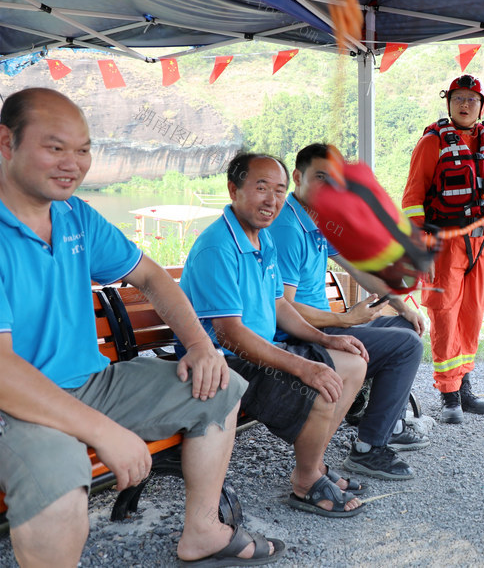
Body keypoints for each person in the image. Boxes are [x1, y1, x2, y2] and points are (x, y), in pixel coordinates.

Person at [0, 88, 284, 566]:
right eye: (55, 147)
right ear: (6, 142)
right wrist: (103, 432)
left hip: (90, 383)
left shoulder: (75, 216)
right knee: (61, 478)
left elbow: (151, 276)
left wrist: (199, 345)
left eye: (84, 150)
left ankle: (203, 532)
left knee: (219, 386)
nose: (74, 163)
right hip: (15, 406)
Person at [180, 152, 372, 520]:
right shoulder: (218, 246)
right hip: (222, 362)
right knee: (319, 385)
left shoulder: (262, 240)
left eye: (280, 190)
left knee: (351, 363)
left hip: (261, 349)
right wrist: (302, 367)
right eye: (261, 187)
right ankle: (306, 482)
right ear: (233, 189)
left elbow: (280, 306)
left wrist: (329, 338)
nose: (272, 200)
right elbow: (230, 334)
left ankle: (311, 466)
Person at [268, 143, 429, 479]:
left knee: (405, 327)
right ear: (298, 177)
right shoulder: (287, 229)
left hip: (325, 327)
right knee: (407, 346)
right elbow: (282, 307)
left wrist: (404, 304)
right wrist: (345, 320)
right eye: (320, 178)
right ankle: (369, 448)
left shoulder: (316, 221)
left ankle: (387, 426)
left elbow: (359, 269)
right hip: (298, 336)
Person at [401, 75, 484, 424]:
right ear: (448, 103)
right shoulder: (431, 143)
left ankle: (464, 385)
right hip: (445, 245)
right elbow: (412, 200)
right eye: (458, 99)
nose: (465, 105)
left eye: (471, 99)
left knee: (471, 316)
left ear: (482, 104)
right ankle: (448, 395)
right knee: (444, 315)